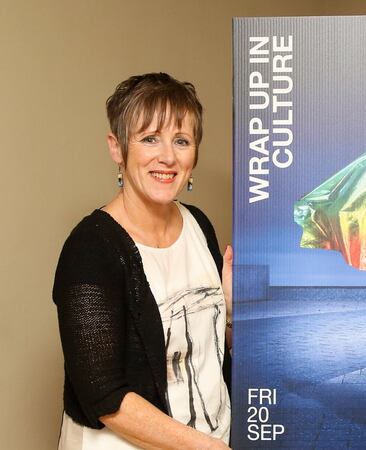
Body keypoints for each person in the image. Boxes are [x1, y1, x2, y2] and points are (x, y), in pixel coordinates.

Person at [53, 73, 233, 449]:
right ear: (117, 148)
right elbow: (104, 396)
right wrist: (208, 448)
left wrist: (230, 313)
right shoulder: (91, 247)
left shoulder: (199, 225)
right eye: (150, 138)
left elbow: (210, 351)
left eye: (181, 140)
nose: (167, 156)